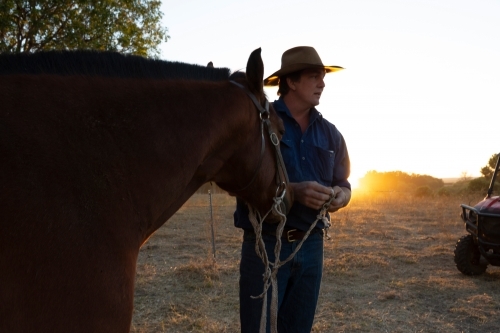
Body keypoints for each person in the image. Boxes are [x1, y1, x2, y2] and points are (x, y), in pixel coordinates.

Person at [233, 46, 352, 333]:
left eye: (323, 76)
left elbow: (345, 184)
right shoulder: (259, 123)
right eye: (314, 76)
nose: (322, 83)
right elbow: (242, 184)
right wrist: (294, 192)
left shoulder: (330, 133)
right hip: (266, 246)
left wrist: (339, 196)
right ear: (291, 82)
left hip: (312, 246)